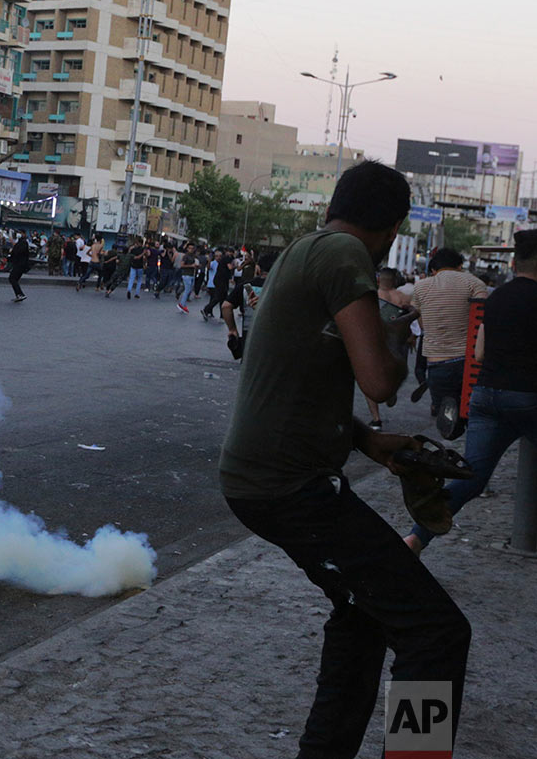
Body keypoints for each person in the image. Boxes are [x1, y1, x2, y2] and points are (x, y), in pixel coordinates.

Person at [219, 161, 469, 759]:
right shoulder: (344, 257)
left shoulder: (304, 250)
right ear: (393, 227)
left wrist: (367, 440)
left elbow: (288, 383)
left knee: (363, 620)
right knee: (435, 632)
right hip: (289, 487)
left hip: (272, 480)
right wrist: (399, 331)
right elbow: (381, 381)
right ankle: (417, 755)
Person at [406, 230, 537, 553]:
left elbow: (479, 354)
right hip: (528, 398)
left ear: (515, 261)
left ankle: (414, 538)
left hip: (486, 397)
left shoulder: (495, 298)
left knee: (471, 478)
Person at [411, 247, 487, 421]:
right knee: (471, 414)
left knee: (445, 417)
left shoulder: (421, 286)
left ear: (434, 268)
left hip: (437, 363)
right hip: (469, 361)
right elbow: (481, 318)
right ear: (460, 265)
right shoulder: (475, 283)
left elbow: (421, 323)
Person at [363, 268, 413, 429]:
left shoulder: (372, 297)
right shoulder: (402, 297)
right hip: (397, 341)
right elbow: (412, 317)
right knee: (393, 370)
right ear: (394, 280)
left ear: (379, 280)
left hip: (376, 340)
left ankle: (376, 418)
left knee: (367, 378)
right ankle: (391, 390)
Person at [7, 230, 31, 303]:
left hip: (21, 264)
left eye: (20, 233)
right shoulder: (20, 242)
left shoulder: (24, 243)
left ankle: (20, 294)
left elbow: (19, 252)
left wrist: (13, 246)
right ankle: (19, 294)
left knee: (12, 278)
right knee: (14, 279)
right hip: (18, 263)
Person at [177, 243, 199, 313]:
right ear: (187, 248)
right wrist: (191, 265)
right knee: (187, 290)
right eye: (190, 248)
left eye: (192, 248)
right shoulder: (185, 256)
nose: (191, 250)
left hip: (191, 274)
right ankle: (182, 304)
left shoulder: (193, 256)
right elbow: (182, 265)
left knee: (188, 290)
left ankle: (183, 304)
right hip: (186, 274)